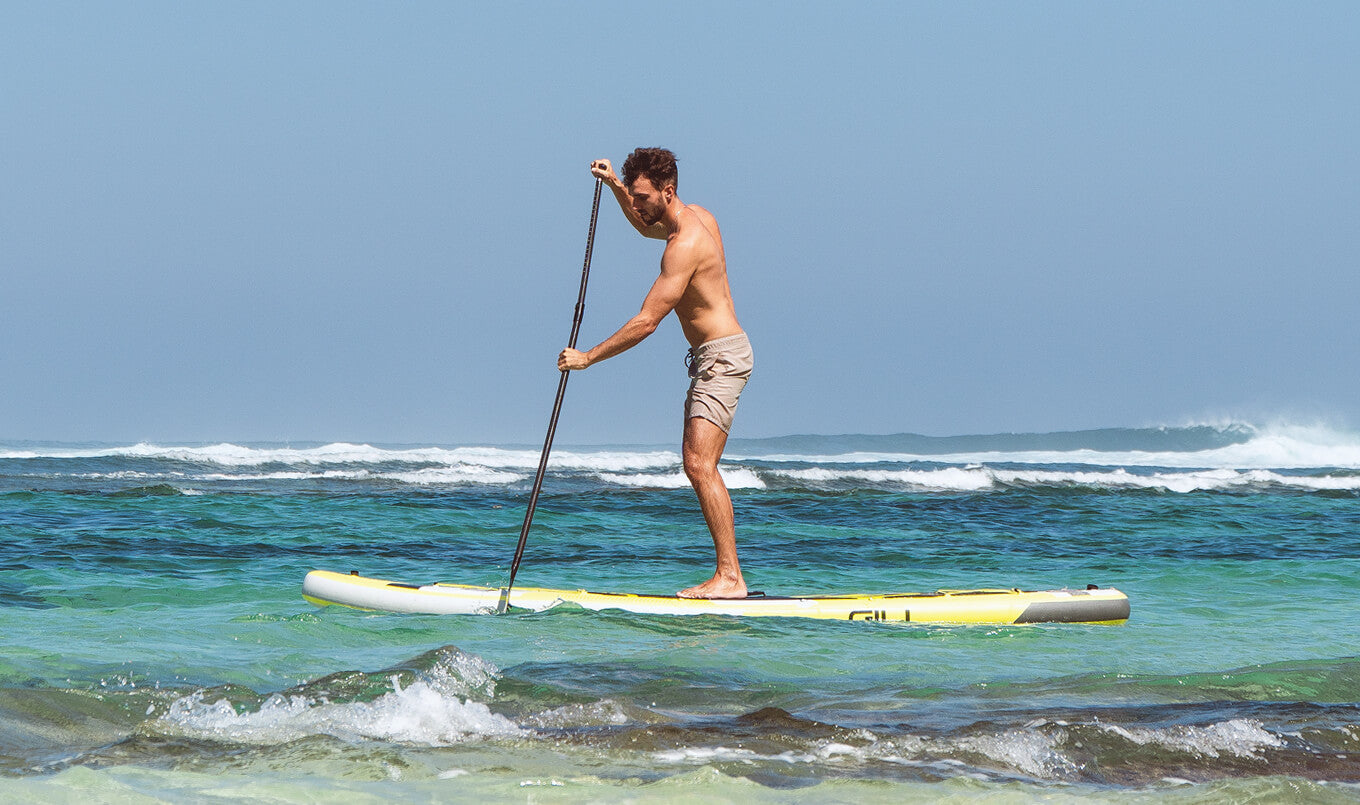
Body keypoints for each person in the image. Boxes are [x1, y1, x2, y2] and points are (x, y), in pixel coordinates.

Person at [558, 148, 754, 599]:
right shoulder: (695, 216)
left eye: (643, 197)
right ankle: (730, 576)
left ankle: (730, 578)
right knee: (699, 464)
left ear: (668, 191)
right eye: (636, 196)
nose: (638, 206)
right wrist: (616, 187)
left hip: (721, 358)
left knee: (699, 464)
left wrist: (587, 357)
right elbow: (646, 223)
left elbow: (647, 321)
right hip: (716, 356)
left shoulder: (684, 246)